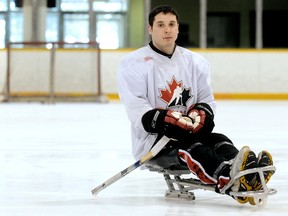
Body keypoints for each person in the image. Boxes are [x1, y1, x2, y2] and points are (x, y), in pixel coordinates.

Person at [117, 5, 274, 205]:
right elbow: (136, 108)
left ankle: (246, 173)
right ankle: (230, 179)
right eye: (161, 25)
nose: (167, 30)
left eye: (171, 24)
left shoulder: (195, 61)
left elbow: (206, 100)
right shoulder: (133, 63)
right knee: (192, 148)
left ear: (178, 28)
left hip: (190, 132)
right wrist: (168, 120)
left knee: (219, 140)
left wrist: (201, 115)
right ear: (150, 29)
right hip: (156, 143)